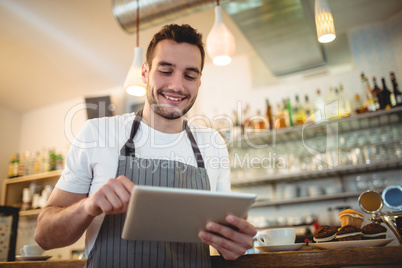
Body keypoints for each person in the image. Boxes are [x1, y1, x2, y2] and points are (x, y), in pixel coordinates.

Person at [34, 24, 256, 267]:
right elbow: (44, 236)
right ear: (144, 72)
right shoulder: (97, 133)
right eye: (165, 70)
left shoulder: (213, 144)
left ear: (199, 82)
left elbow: (224, 236)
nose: (177, 86)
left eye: (190, 75)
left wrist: (234, 243)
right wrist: (88, 206)